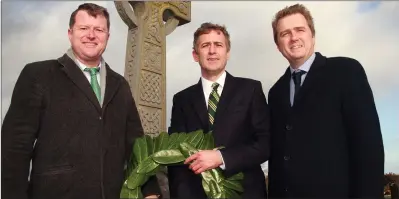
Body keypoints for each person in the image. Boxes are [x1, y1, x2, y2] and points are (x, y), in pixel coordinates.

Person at [1, 3, 160, 199]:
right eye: (83, 28)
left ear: (107, 37)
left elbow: (136, 143)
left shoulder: (120, 85)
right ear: (70, 33)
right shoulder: (38, 75)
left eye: (99, 30)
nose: (91, 35)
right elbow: (15, 147)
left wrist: (150, 191)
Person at [267, 3, 385, 198]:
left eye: (299, 30)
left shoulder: (346, 71)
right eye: (284, 33)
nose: (293, 37)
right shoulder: (275, 92)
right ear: (278, 45)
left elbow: (368, 148)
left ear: (312, 35)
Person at [167, 22, 271, 198]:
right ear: (195, 55)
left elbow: (265, 144)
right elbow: (176, 156)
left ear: (227, 52)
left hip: (245, 192)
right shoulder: (182, 99)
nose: (212, 51)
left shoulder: (250, 89)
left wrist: (222, 157)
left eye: (218, 45)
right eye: (205, 45)